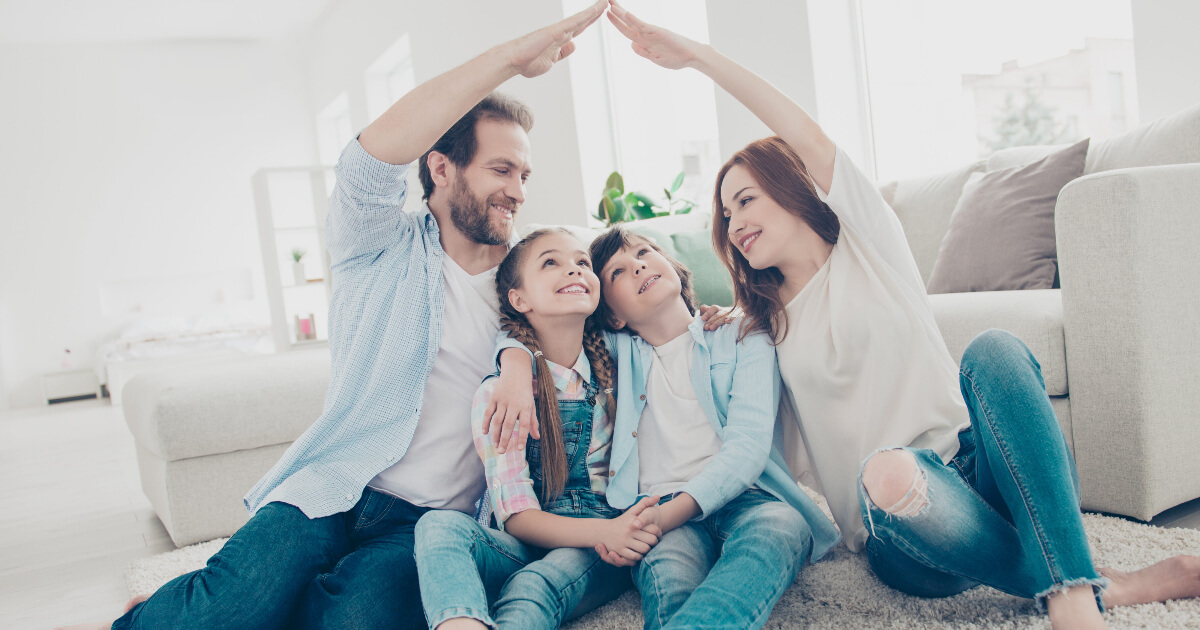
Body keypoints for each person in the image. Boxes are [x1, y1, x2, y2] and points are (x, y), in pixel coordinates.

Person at [604, 3, 1200, 629]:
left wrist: (697, 57)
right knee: (888, 471)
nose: (734, 222)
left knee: (995, 349)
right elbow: (712, 402)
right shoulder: (757, 326)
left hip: (981, 473)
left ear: (794, 187)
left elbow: (803, 132)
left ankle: (1075, 601)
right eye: (726, 215)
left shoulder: (870, 245)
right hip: (899, 526)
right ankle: (1106, 583)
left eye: (746, 199)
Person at [59, 3, 609, 629]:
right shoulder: (374, 242)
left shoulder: (531, 277)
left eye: (526, 173)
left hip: (430, 520)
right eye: (501, 169)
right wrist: (510, 61)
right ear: (440, 168)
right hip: (336, 483)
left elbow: (601, 327)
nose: (519, 189)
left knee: (350, 622)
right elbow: (364, 163)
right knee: (230, 604)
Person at [493, 225, 840, 630]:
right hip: (654, 507)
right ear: (613, 315)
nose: (637, 266)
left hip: (746, 497)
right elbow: (536, 324)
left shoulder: (743, 334)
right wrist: (514, 361)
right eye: (617, 273)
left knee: (783, 526)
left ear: (675, 269)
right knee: (668, 578)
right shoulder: (612, 351)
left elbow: (747, 448)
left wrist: (668, 516)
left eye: (644, 252)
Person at [415, 228, 661, 630]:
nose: (575, 270)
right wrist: (515, 360)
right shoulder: (502, 394)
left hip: (597, 540)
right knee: (436, 525)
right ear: (519, 299)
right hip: (525, 539)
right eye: (552, 262)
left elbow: (667, 327)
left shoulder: (620, 363)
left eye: (583, 262)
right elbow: (517, 518)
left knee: (535, 585)